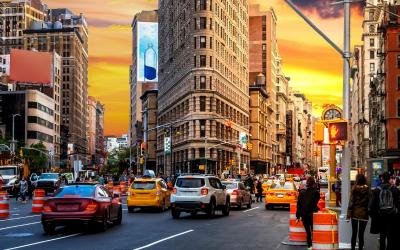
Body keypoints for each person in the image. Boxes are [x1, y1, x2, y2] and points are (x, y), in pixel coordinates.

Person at [369, 172, 400, 250]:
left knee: (382, 235)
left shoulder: (377, 190)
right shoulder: (394, 189)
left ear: (381, 178)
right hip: (392, 216)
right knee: (391, 236)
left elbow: (372, 206)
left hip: (381, 216)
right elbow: (398, 203)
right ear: (389, 179)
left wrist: (374, 217)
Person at [296, 176, 320, 249]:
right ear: (313, 183)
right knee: (313, 230)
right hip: (313, 214)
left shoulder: (302, 193)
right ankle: (314, 245)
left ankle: (309, 246)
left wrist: (298, 216)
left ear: (307, 183)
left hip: (304, 215)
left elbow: (299, 205)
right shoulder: (316, 192)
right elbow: (316, 201)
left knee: (308, 232)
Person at [347, 173, 369, 250]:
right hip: (364, 214)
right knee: (361, 234)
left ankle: (353, 248)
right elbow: (370, 202)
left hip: (355, 214)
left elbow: (351, 203)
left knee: (354, 233)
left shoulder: (354, 189)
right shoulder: (367, 189)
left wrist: (348, 216)